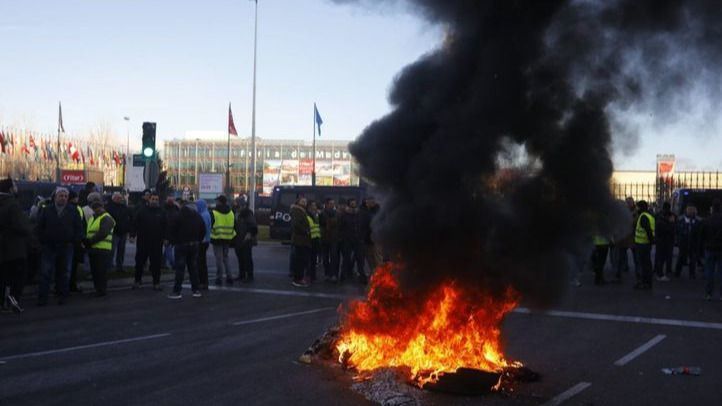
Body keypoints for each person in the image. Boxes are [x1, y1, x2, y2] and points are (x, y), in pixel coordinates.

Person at [36, 187, 82, 305]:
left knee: (65, 272)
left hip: (66, 246)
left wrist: (74, 240)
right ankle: (42, 298)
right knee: (45, 272)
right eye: (61, 196)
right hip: (49, 246)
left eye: (65, 196)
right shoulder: (47, 210)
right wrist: (43, 240)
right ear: (55, 197)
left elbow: (78, 228)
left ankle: (63, 296)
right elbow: (39, 227)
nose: (63, 198)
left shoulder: (73, 210)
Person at [0, 177, 33, 313]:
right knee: (18, 277)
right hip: (14, 248)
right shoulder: (12, 204)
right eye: (14, 185)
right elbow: (21, 226)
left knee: (2, 277)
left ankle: (2, 303)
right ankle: (13, 301)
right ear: (10, 189)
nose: (16, 187)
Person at [167, 201, 206, 299]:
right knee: (193, 268)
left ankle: (177, 291)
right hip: (194, 244)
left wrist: (173, 241)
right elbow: (203, 230)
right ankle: (196, 290)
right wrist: (198, 240)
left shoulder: (178, 215)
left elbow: (172, 229)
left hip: (181, 245)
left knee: (180, 269)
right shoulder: (198, 216)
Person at [132, 192, 166, 290]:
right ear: (149, 199)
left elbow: (166, 226)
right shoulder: (142, 211)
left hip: (157, 242)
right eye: (153, 199)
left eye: (156, 199)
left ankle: (156, 283)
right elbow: (135, 223)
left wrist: (166, 238)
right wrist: (132, 234)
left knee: (156, 263)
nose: (154, 201)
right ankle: (137, 281)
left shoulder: (161, 212)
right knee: (139, 262)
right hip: (143, 241)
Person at [83, 200, 116, 297]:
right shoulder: (93, 218)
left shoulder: (107, 218)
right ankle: (98, 289)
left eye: (98, 207)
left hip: (102, 249)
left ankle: (101, 290)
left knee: (101, 271)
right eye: (94, 208)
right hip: (93, 248)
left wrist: (89, 242)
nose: (96, 210)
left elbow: (103, 233)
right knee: (95, 271)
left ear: (102, 207)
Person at [210, 195, 236, 285]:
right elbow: (234, 225)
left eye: (217, 201)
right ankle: (229, 277)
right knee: (226, 258)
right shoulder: (231, 212)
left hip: (217, 238)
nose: (216, 202)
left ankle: (219, 278)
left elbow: (211, 225)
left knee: (219, 259)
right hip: (228, 238)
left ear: (220, 202)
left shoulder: (214, 212)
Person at [339, 198, 365, 283]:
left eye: (354, 203)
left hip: (358, 240)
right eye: (352, 203)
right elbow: (341, 227)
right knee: (346, 258)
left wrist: (361, 236)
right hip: (347, 240)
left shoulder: (359, 214)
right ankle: (343, 276)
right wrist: (344, 237)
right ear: (349, 204)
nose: (353, 204)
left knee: (360, 259)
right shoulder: (344, 214)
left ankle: (362, 276)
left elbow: (362, 225)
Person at [701, 200, 722, 301]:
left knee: (709, 271)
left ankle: (708, 293)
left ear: (712, 209)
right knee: (720, 272)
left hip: (709, 248)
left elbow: (702, 235)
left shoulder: (707, 220)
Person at [106, 192, 132, 273]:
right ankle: (109, 266)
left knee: (121, 250)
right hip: (114, 232)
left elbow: (128, 218)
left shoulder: (124, 207)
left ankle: (119, 266)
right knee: (111, 251)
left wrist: (128, 229)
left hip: (123, 232)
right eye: (118, 198)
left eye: (120, 198)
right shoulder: (109, 207)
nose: (120, 199)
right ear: (113, 198)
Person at [675, 204, 702, 279]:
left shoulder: (697, 221)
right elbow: (677, 231)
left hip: (691, 242)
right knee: (682, 258)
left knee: (691, 259)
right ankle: (679, 273)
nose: (691, 212)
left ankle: (690, 273)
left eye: (692, 211)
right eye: (690, 210)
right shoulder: (681, 220)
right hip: (684, 242)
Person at [234, 200, 258, 283]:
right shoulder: (238, 213)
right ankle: (242, 274)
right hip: (238, 239)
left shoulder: (247, 214)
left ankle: (249, 276)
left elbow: (253, 226)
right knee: (240, 258)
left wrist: (249, 234)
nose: (238, 207)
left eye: (240, 205)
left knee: (247, 258)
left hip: (245, 239)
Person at [67, 190, 87, 293]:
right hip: (75, 241)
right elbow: (81, 225)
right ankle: (71, 286)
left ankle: (63, 286)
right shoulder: (77, 208)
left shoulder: (63, 207)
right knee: (73, 265)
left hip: (66, 241)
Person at [633, 200, 655, 290]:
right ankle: (647, 282)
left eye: (637, 207)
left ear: (641, 207)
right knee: (646, 264)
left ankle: (644, 283)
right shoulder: (649, 216)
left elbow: (648, 231)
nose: (636, 208)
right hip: (645, 244)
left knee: (643, 265)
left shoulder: (643, 217)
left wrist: (650, 242)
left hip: (642, 244)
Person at [290, 197, 311, 287]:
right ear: (298, 202)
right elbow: (296, 224)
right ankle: (297, 279)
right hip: (300, 240)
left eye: (305, 201)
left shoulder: (302, 211)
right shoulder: (297, 211)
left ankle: (299, 278)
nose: (304, 203)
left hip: (303, 240)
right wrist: (305, 231)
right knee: (299, 260)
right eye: (302, 201)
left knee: (301, 260)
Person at [319, 198, 341, 283]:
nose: (332, 205)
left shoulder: (337, 214)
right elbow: (323, 223)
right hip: (325, 238)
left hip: (334, 239)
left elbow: (337, 224)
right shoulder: (322, 214)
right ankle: (327, 274)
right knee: (325, 258)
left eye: (333, 203)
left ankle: (334, 274)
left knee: (334, 257)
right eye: (331, 203)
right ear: (326, 204)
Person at [654, 202, 676, 282]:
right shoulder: (670, 217)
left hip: (660, 240)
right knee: (664, 257)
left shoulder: (658, 215)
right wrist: (671, 223)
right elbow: (669, 229)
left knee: (660, 257)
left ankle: (658, 271)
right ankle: (660, 273)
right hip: (666, 240)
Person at [359, 197, 382, 274]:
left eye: (370, 201)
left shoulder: (377, 211)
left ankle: (380, 274)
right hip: (366, 239)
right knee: (369, 259)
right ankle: (374, 274)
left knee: (377, 258)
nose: (368, 203)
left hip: (375, 239)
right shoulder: (363, 211)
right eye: (367, 201)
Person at [195, 199, 212, 290]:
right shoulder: (206, 213)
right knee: (201, 261)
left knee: (200, 262)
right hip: (205, 240)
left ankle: (202, 282)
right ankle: (203, 281)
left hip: (202, 241)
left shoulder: (203, 215)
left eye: (197, 205)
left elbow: (202, 228)